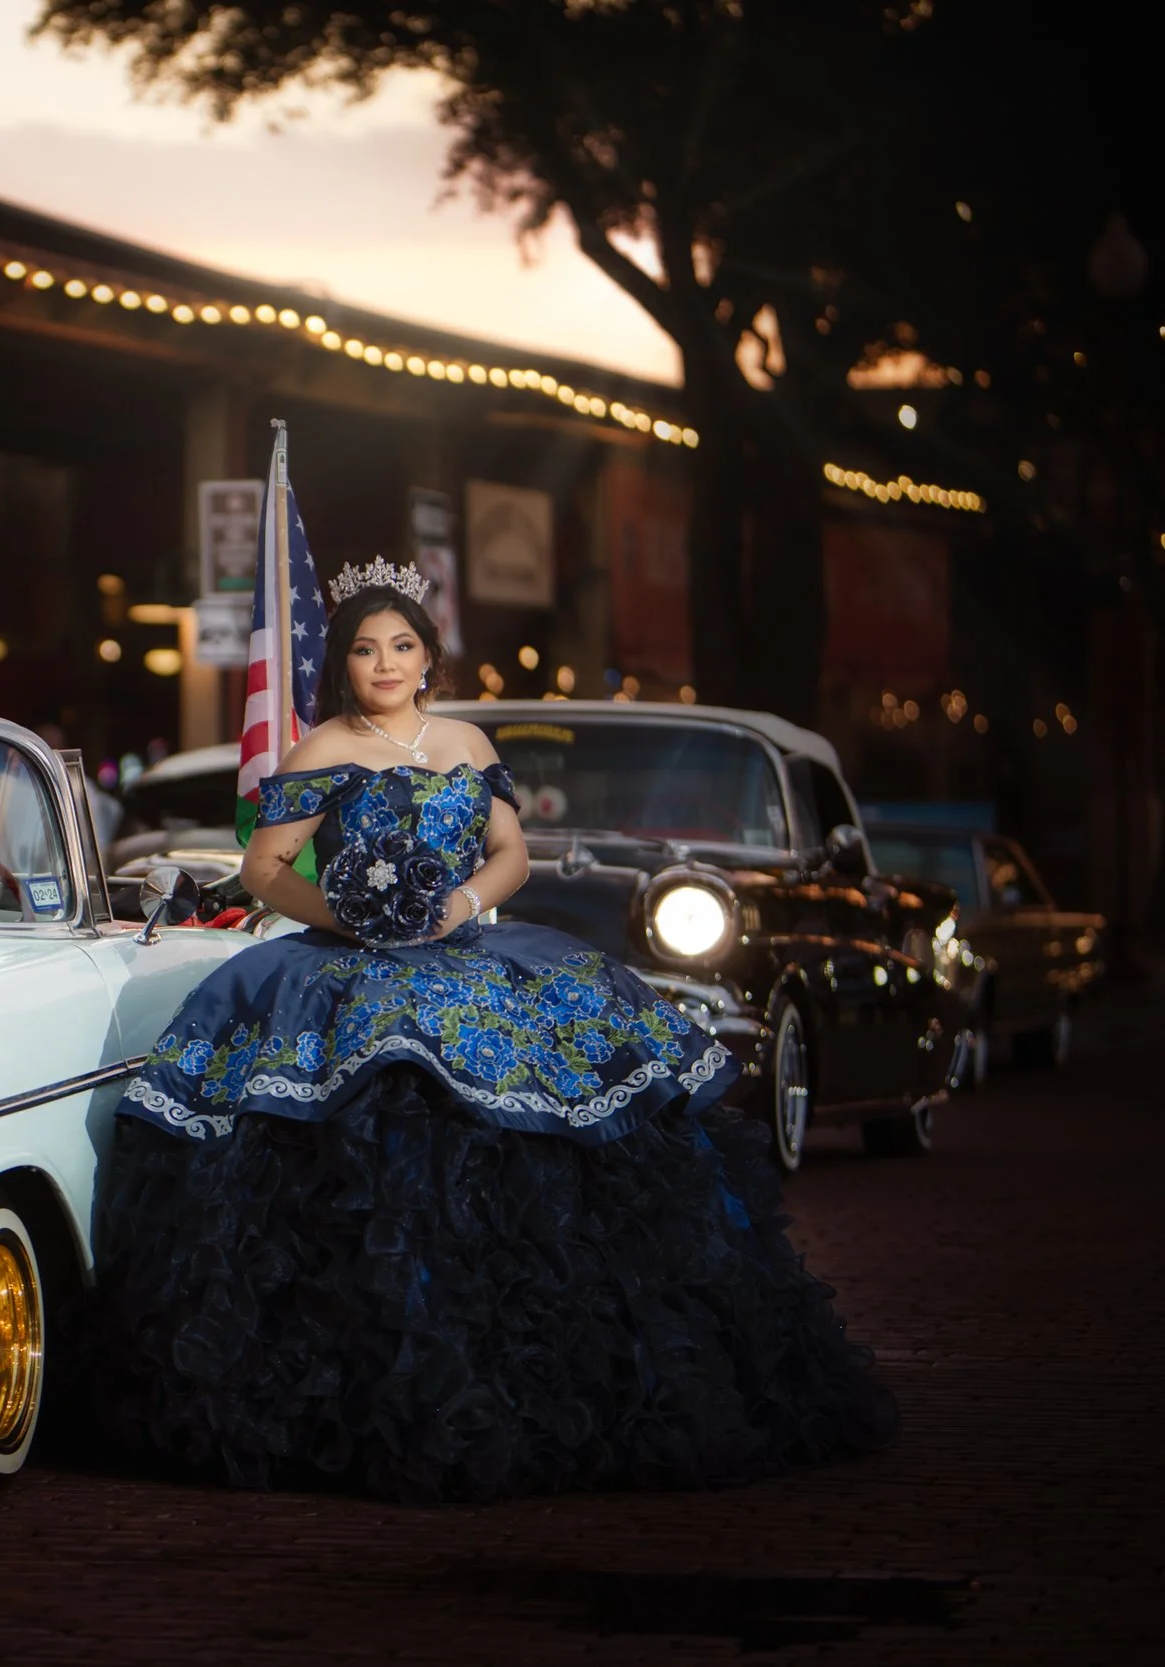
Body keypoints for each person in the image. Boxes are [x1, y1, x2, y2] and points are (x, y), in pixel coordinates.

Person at [94, 565, 898, 1504]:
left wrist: (459, 905)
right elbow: (265, 867)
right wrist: (355, 919)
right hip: (342, 965)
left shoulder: (466, 741)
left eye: (400, 645)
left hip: (470, 948)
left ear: (429, 656)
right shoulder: (322, 749)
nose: (383, 662)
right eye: (363, 647)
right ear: (344, 663)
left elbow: (512, 852)